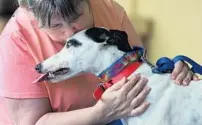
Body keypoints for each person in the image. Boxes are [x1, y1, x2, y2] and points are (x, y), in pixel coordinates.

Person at [0, 0, 198, 125]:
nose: (70, 32)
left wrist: (175, 76)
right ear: (35, 18)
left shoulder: (110, 10)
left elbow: (136, 67)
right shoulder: (16, 40)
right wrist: (101, 113)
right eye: (56, 25)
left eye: (76, 17)